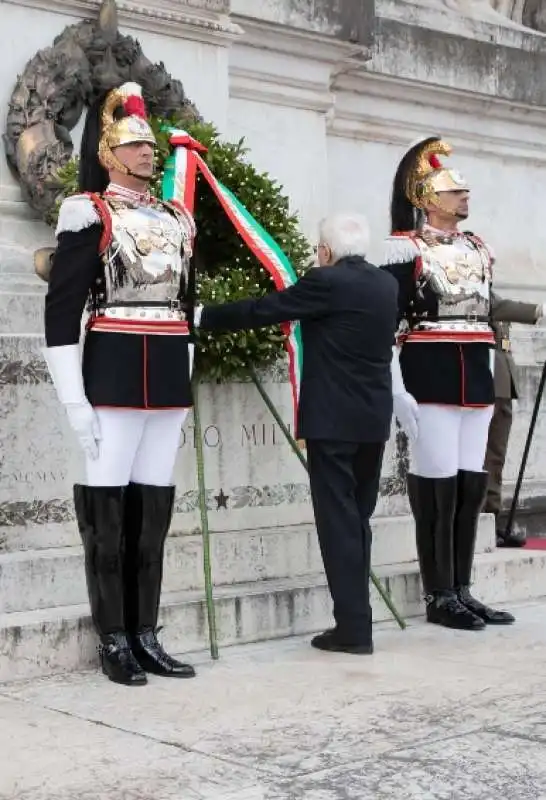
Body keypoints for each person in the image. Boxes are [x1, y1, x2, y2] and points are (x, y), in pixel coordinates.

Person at [42, 82, 197, 685]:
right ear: (107, 153)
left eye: (149, 145)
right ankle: (112, 635)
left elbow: (186, 303)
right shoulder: (90, 212)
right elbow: (62, 312)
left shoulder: (177, 217)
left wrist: (184, 371)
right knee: (106, 514)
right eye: (134, 146)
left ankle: (146, 631)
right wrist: (73, 399)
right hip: (111, 372)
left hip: (165, 376)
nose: (147, 153)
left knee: (152, 512)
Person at [194, 213, 399, 654]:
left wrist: (205, 316)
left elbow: (266, 309)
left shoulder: (325, 282)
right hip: (373, 420)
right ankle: (357, 622)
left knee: (338, 523)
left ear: (325, 251)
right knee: (358, 520)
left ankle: (353, 629)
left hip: (333, 421)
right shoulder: (386, 285)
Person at [382, 135, 515, 631]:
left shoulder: (479, 248)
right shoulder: (405, 248)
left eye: (463, 191)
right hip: (430, 372)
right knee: (436, 481)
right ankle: (438, 592)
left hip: (475, 371)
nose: (463, 197)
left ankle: (462, 587)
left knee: (470, 482)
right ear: (427, 198)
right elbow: (390, 323)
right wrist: (396, 386)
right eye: (452, 191)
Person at [486, 295, 545, 547]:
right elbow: (497, 307)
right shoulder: (471, 282)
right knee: (489, 455)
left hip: (501, 380)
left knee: (496, 456)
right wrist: (539, 310)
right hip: (488, 379)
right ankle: (485, 518)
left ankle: (492, 518)